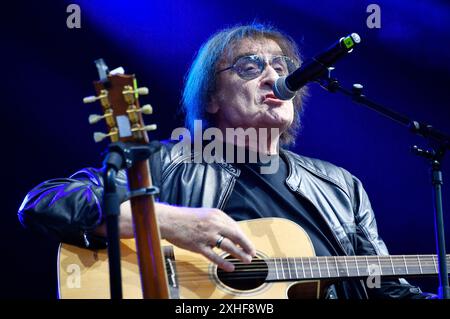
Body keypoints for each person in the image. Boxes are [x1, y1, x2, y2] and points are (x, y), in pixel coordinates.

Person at [18, 23, 432, 299]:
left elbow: (387, 290)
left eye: (281, 66)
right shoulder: (167, 163)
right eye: (249, 67)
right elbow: (45, 203)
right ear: (212, 97)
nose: (273, 77)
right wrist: (164, 220)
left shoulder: (342, 187)